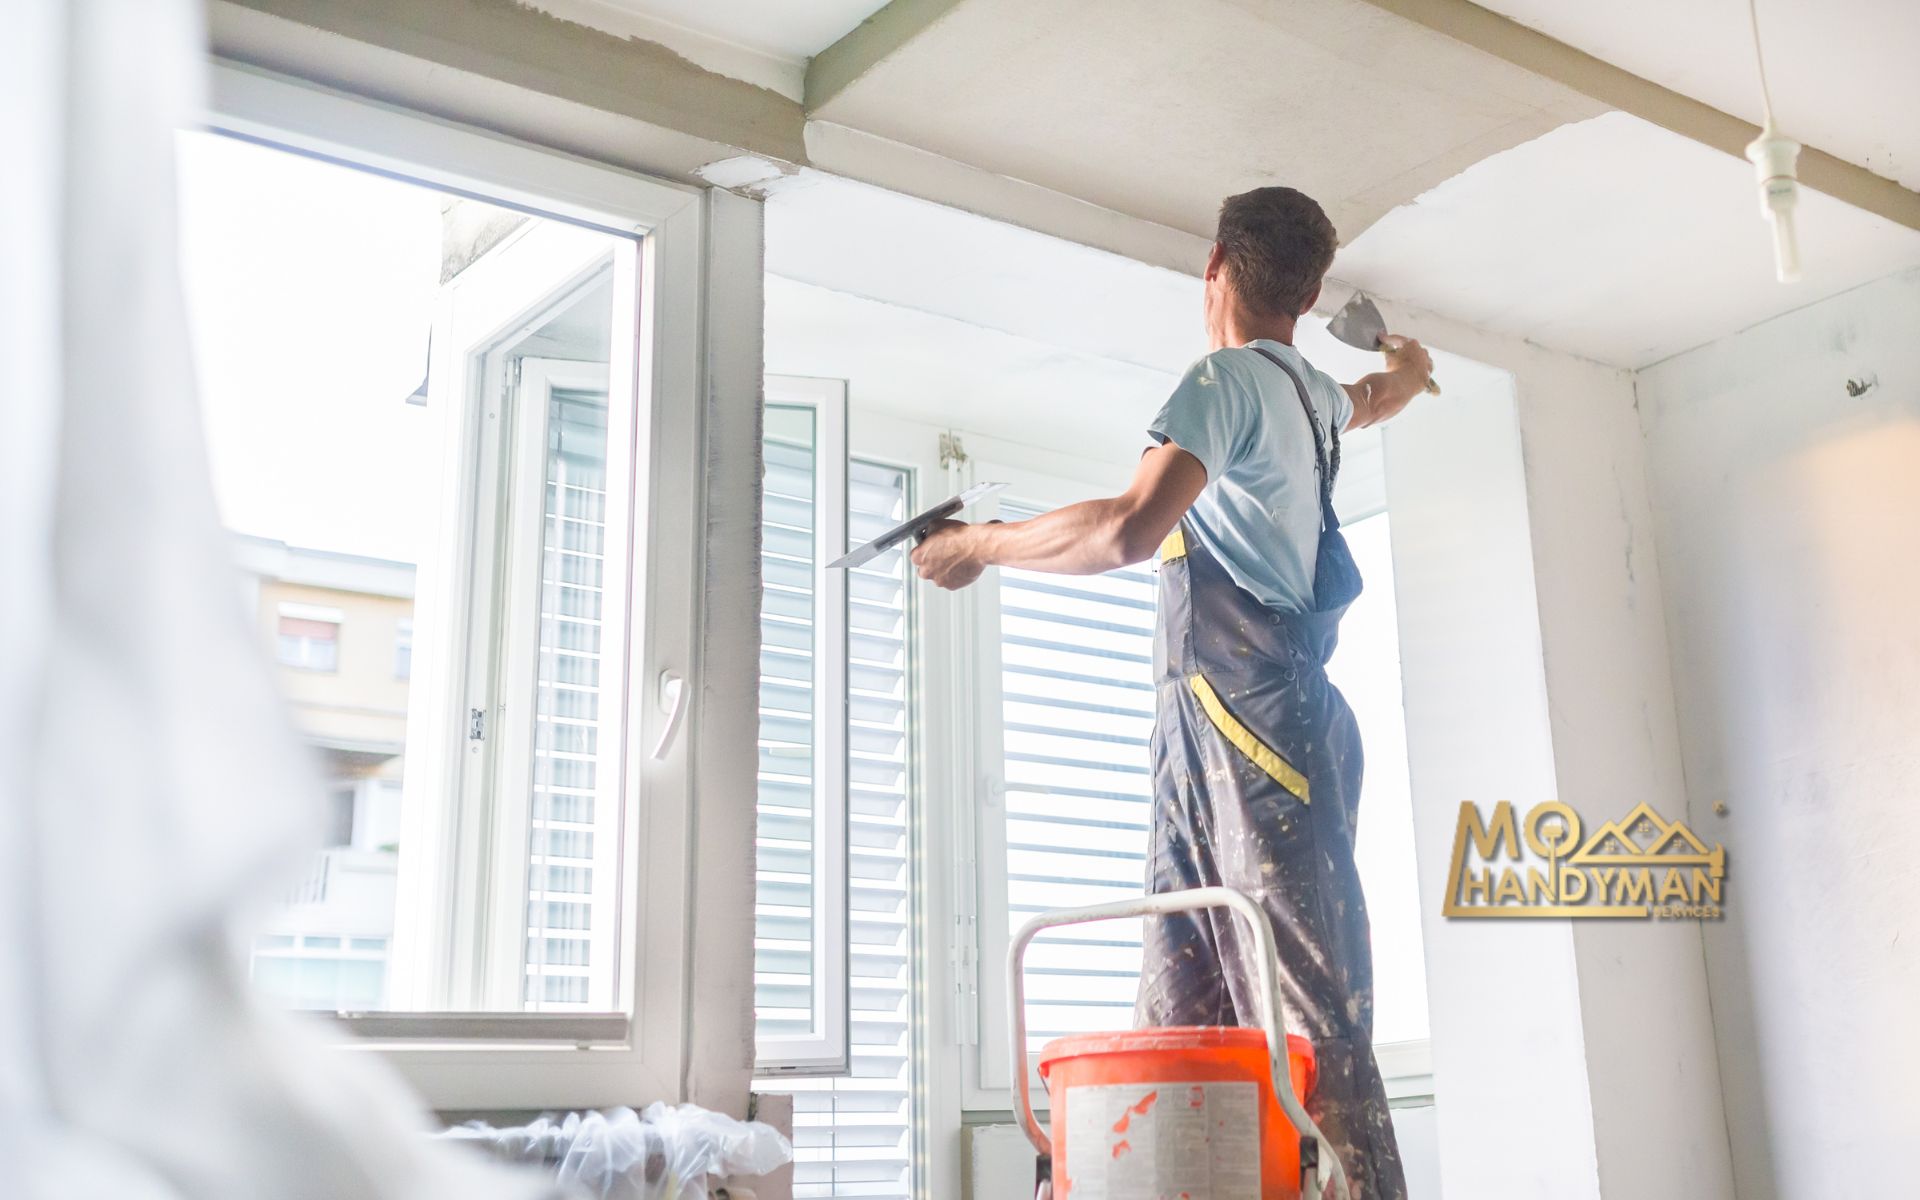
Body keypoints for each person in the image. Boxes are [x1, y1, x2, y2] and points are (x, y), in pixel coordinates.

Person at [910, 186, 1433, 1199]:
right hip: (1219, 732)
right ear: (1312, 289)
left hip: (1255, 730)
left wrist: (975, 545)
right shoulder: (1315, 396)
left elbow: (1127, 529)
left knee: (1309, 1016)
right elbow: (1372, 400)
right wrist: (1405, 368)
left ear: (1214, 268)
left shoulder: (1225, 380)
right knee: (1185, 998)